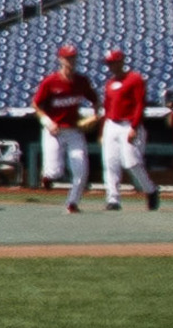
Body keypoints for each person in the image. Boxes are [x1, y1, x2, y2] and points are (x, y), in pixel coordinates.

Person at [31, 51, 95, 210]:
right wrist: (47, 122)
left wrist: (95, 115)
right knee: (54, 172)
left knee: (81, 169)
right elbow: (36, 105)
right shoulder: (50, 81)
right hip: (54, 131)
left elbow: (96, 100)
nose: (70, 60)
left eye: (73, 57)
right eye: (67, 57)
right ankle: (47, 176)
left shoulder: (82, 81)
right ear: (60, 59)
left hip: (74, 130)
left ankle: (72, 202)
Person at [99, 51, 158, 211]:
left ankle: (150, 190)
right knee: (110, 163)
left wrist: (134, 126)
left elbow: (140, 103)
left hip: (129, 124)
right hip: (111, 124)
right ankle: (113, 199)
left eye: (113, 62)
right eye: (109, 63)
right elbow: (107, 107)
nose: (111, 66)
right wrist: (102, 130)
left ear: (121, 61)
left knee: (131, 162)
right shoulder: (110, 83)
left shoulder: (134, 79)